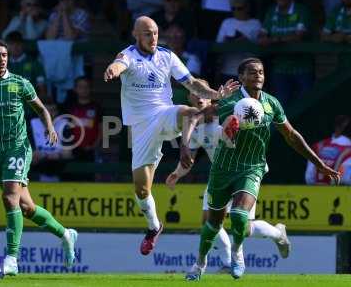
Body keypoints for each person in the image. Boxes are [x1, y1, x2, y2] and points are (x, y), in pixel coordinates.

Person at [183, 57, 340, 280]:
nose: (258, 75)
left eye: (262, 72)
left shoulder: (271, 103)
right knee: (213, 223)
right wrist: (185, 148)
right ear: (241, 77)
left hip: (252, 167)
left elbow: (292, 136)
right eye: (252, 72)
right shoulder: (230, 101)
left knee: (239, 217)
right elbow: (197, 116)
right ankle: (199, 264)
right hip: (223, 168)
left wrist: (319, 164)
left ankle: (237, 254)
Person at [103, 16, 239, 256]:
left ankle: (189, 143)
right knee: (141, 191)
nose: (153, 37)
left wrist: (218, 94)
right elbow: (119, 64)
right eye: (147, 33)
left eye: (155, 32)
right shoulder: (129, 55)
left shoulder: (167, 56)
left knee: (189, 111)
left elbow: (194, 85)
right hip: (141, 127)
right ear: (136, 34)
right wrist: (113, 70)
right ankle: (154, 227)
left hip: (164, 113)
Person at [0, 39, 78, 276]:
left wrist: (50, 127)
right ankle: (66, 234)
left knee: (9, 197)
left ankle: (12, 258)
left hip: (18, 148)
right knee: (26, 207)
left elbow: (41, 109)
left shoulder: (20, 83)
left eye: (5, 55)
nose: (2, 59)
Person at [166, 92, 291, 272]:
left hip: (243, 172)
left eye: (203, 96)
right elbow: (189, 160)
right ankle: (226, 263)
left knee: (244, 228)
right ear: (189, 101)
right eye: (195, 97)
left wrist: (231, 129)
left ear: (211, 101)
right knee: (208, 223)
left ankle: (279, 234)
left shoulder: (228, 115)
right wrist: (177, 174)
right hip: (219, 176)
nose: (200, 99)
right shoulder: (195, 130)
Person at [258, 0, 314, 107]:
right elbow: (262, 35)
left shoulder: (301, 10)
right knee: (281, 107)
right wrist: (268, 39)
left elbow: (299, 36)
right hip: (280, 68)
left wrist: (274, 40)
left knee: (306, 105)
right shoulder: (271, 11)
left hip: (302, 67)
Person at [216, 0, 261, 83]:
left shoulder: (256, 24)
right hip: (227, 71)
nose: (236, 11)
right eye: (233, 8)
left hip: (248, 72)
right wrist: (227, 41)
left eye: (240, 8)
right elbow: (218, 43)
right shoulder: (227, 22)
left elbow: (259, 47)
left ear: (247, 7)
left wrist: (246, 41)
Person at [305, 115, 351, 185]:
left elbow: (309, 178)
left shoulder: (318, 146)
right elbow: (346, 180)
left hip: (316, 190)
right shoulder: (348, 149)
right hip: (339, 192)